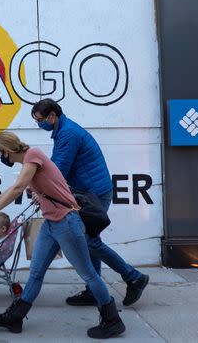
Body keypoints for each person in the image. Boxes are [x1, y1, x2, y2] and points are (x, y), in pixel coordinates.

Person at [0, 131, 125, 339]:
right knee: (36, 273)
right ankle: (16, 318)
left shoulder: (33, 155)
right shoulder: (27, 164)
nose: (1, 157)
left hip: (66, 223)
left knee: (89, 274)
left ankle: (112, 320)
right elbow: (15, 187)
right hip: (51, 223)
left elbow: (18, 189)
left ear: (6, 150)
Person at [31, 98, 149, 307]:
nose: (39, 124)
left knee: (88, 241)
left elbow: (58, 171)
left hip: (93, 194)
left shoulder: (67, 134)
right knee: (89, 241)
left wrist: (39, 189)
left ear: (52, 116)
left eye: (40, 120)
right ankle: (94, 291)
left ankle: (133, 277)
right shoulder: (64, 130)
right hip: (90, 191)